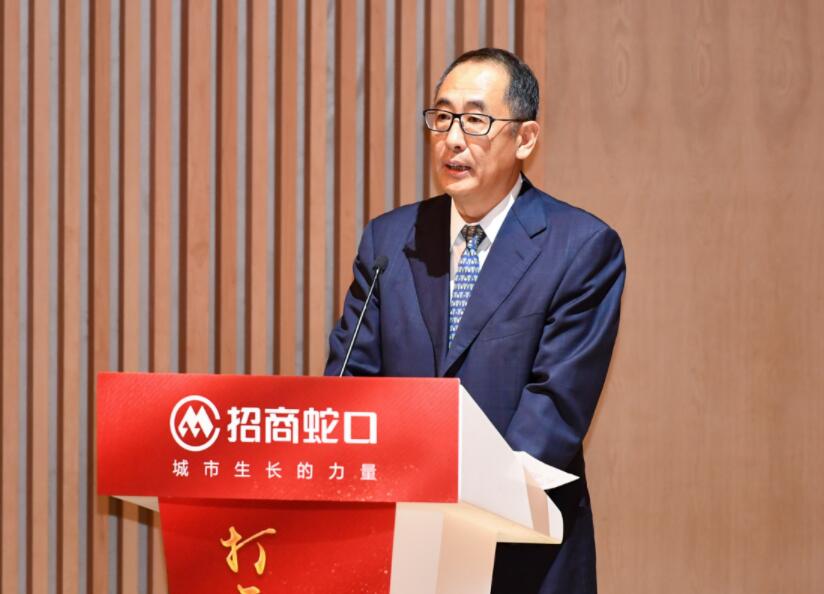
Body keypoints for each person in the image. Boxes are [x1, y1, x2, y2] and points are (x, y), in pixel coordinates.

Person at [325, 47, 625, 594]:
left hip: (522, 548)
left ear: (525, 138)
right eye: (442, 117)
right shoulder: (389, 239)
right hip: (399, 540)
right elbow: (351, 384)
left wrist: (457, 505)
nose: (453, 138)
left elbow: (554, 407)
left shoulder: (580, 248)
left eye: (476, 120)